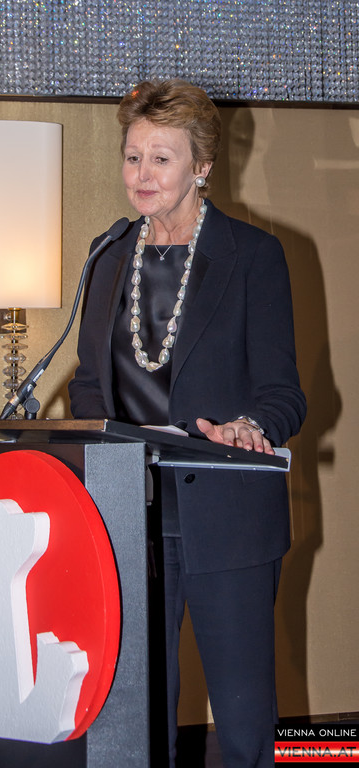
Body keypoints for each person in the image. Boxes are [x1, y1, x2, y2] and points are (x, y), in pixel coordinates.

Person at [68, 79, 306, 767]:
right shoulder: (108, 254)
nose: (141, 175)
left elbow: (284, 394)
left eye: (161, 158)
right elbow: (90, 385)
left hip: (227, 517)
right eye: (132, 157)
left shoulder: (253, 255)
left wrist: (251, 425)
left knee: (244, 721)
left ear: (201, 165)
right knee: (136, 720)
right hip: (128, 519)